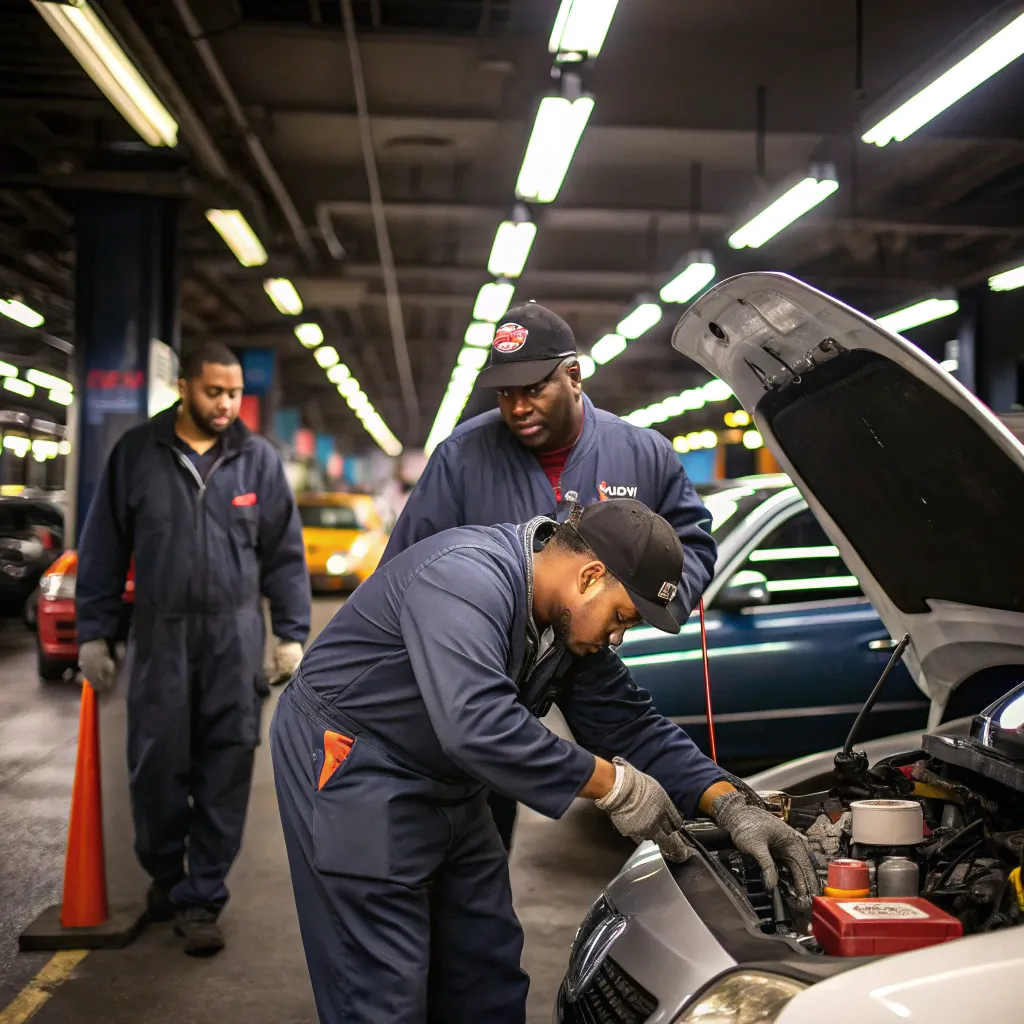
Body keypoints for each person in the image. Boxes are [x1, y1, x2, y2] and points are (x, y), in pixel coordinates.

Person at [271, 498, 816, 1024]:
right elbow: (477, 724)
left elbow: (632, 724)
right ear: (589, 576)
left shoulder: (564, 624)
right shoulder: (463, 578)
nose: (619, 635)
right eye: (622, 616)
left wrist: (730, 805)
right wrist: (614, 786)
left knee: (486, 967)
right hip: (354, 763)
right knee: (380, 985)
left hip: (451, 780)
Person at [381, 301, 717, 850]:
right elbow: (407, 568)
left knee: (623, 744)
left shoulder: (643, 453)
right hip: (485, 675)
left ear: (574, 375)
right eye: (504, 392)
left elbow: (693, 541)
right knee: (467, 821)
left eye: (533, 388)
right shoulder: (462, 457)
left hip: (578, 658)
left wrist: (647, 605)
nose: (517, 406)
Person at [76, 341, 311, 956]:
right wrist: (95, 631)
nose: (227, 404)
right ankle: (165, 873)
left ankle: (202, 895)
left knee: (226, 764)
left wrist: (290, 634)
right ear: (184, 387)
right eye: (214, 392)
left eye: (235, 393)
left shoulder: (258, 461)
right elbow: (102, 549)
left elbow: (285, 554)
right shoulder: (137, 454)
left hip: (234, 637)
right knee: (156, 765)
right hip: (160, 633)